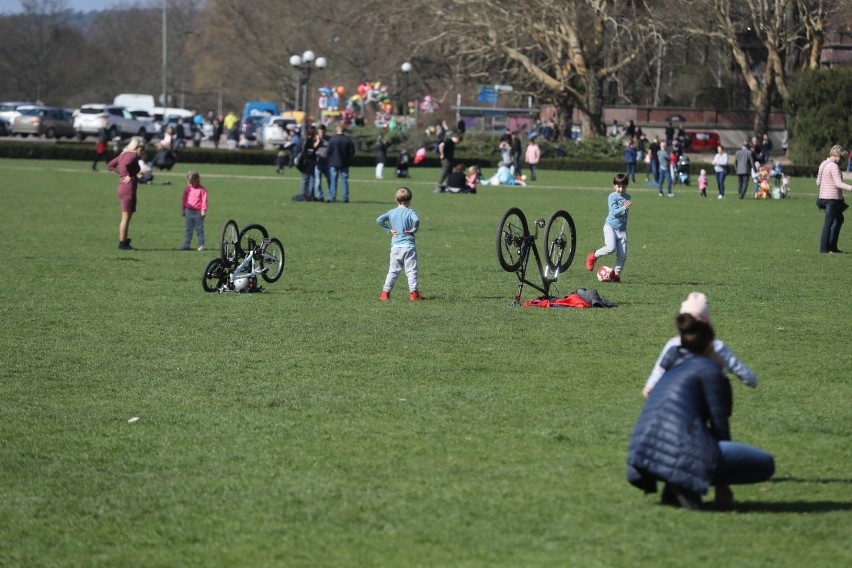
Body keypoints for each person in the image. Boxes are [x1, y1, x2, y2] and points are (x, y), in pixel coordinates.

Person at [627, 292, 775, 510]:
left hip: (640, 453)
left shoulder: (672, 359)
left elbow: (649, 388)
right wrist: (723, 485)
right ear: (710, 343)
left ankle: (675, 485)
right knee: (765, 464)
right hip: (679, 446)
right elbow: (721, 428)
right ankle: (684, 482)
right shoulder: (710, 370)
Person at [642, 292, 757, 398]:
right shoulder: (716, 346)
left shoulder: (674, 344)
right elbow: (743, 372)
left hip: (676, 397)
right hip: (707, 400)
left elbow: (659, 369)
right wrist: (751, 380)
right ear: (706, 323)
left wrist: (650, 386)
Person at [376, 187, 422, 301]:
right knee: (411, 270)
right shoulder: (410, 212)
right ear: (410, 200)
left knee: (393, 270)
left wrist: (389, 230)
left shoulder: (391, 212)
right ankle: (414, 294)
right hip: (409, 247)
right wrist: (413, 229)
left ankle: (385, 293)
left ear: (396, 199)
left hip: (396, 246)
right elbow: (416, 220)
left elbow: (379, 220)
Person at [585, 173, 631, 282]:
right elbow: (614, 212)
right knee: (611, 248)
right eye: (619, 186)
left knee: (622, 255)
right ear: (614, 186)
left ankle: (616, 275)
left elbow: (625, 214)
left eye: (623, 186)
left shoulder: (628, 196)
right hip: (610, 226)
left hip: (622, 229)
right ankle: (593, 256)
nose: (621, 189)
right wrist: (624, 207)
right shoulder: (612, 196)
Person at [108, 137, 144, 251]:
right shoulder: (133, 156)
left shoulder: (123, 154)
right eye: (142, 149)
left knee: (126, 217)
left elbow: (110, 165)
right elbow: (127, 164)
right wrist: (128, 175)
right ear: (138, 148)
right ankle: (122, 244)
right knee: (125, 218)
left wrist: (122, 174)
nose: (142, 152)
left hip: (122, 187)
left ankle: (124, 240)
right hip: (128, 188)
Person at [816, 144, 852, 253]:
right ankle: (825, 249)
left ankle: (832, 247)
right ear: (836, 155)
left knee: (839, 219)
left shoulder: (823, 164)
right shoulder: (834, 166)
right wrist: (851, 187)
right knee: (829, 223)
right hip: (832, 199)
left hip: (823, 198)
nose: (842, 160)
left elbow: (818, 182)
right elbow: (838, 183)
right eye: (841, 157)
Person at [327, 123, 356, 203]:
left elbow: (328, 152)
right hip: (344, 163)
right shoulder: (347, 140)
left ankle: (332, 197)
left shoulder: (332, 139)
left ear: (337, 129)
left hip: (333, 162)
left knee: (333, 180)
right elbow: (352, 152)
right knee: (344, 180)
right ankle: (345, 197)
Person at [180, 170, 207, 251]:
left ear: (197, 180)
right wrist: (183, 209)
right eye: (189, 182)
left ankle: (201, 244)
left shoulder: (202, 190)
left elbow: (204, 200)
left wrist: (203, 210)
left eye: (192, 182)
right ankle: (186, 244)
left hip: (198, 212)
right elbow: (184, 199)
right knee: (188, 229)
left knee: (199, 229)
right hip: (189, 211)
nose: (190, 184)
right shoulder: (187, 189)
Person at [295, 125, 318, 201]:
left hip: (309, 162)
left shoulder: (308, 140)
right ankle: (305, 194)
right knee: (307, 178)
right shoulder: (308, 140)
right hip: (307, 162)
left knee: (310, 178)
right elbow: (306, 151)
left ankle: (308, 194)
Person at [313, 124, 331, 201]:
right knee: (318, 181)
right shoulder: (315, 139)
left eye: (323, 132)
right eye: (320, 132)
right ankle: (319, 196)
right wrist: (318, 141)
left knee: (330, 180)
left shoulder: (329, 139)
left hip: (327, 162)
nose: (322, 134)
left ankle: (331, 196)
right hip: (318, 162)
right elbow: (313, 147)